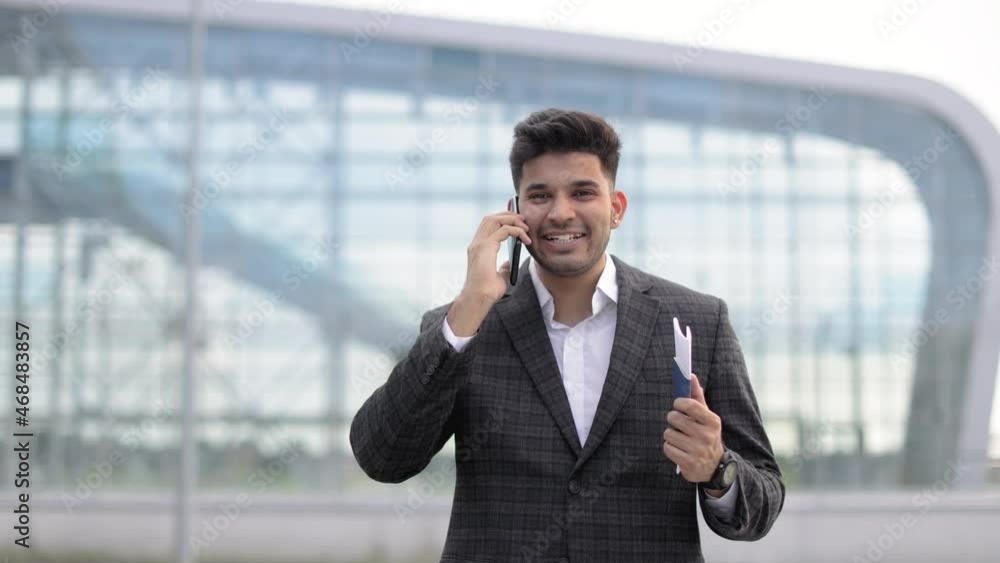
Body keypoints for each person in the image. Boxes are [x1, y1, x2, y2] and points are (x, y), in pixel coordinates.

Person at [350, 108, 784, 562]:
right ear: (515, 212)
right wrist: (466, 311)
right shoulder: (464, 327)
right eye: (540, 195)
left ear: (616, 209)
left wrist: (717, 468)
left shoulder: (699, 320)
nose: (560, 213)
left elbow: (764, 500)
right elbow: (383, 458)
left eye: (583, 192)